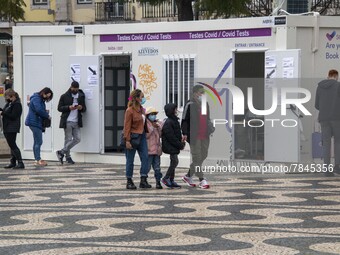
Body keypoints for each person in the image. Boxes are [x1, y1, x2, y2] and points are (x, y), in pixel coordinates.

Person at [181, 84, 213, 189]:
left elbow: (207, 118)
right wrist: (184, 133)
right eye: (201, 92)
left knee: (203, 155)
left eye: (203, 92)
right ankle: (202, 180)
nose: (203, 94)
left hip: (205, 134)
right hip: (194, 135)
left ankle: (188, 176)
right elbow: (184, 120)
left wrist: (210, 127)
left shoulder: (205, 104)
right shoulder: (189, 104)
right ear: (195, 93)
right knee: (197, 157)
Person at [315, 69, 340, 176]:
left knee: (326, 143)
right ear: (336, 76)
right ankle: (337, 167)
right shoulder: (338, 86)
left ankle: (327, 170)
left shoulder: (319, 87)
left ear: (328, 76)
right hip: (336, 118)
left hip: (324, 118)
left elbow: (316, 105)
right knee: (338, 142)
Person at [123, 89, 150, 190]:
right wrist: (127, 140)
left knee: (146, 158)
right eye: (142, 97)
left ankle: (143, 179)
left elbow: (144, 122)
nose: (143, 98)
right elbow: (127, 126)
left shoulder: (142, 109)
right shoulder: (129, 110)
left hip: (142, 136)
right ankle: (129, 180)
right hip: (132, 136)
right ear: (137, 98)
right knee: (130, 160)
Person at [56, 81, 86, 165]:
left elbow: (84, 109)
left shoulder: (81, 96)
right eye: (74, 89)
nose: (75, 90)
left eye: (76, 89)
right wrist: (68, 107)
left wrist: (81, 108)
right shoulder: (64, 96)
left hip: (77, 121)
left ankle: (61, 152)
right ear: (71, 87)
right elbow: (59, 108)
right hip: (67, 121)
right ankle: (68, 157)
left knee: (77, 139)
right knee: (68, 139)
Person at [25, 87, 53, 166]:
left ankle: (37, 159)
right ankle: (38, 159)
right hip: (34, 122)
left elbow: (37, 109)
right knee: (39, 141)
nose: (48, 97)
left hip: (34, 121)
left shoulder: (37, 98)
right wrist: (47, 115)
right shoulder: (37, 99)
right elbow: (39, 110)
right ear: (43, 93)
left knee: (36, 141)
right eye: (47, 95)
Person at [161, 103, 185, 189]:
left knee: (173, 162)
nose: (176, 111)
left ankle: (171, 179)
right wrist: (179, 145)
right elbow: (171, 136)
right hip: (170, 146)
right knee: (175, 162)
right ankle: (166, 178)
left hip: (174, 145)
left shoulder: (174, 120)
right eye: (175, 109)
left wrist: (181, 142)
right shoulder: (168, 122)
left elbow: (177, 134)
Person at [1, 89, 24, 169]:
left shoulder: (17, 104)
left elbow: (14, 116)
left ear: (12, 96)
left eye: (7, 97)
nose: (6, 99)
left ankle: (20, 162)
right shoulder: (9, 104)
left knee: (13, 145)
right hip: (7, 127)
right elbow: (5, 111)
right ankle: (13, 162)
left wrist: (3, 113)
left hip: (12, 127)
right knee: (11, 145)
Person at [145, 107, 163, 189]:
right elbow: (146, 135)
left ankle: (158, 182)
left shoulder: (157, 123)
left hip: (157, 150)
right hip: (149, 150)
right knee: (147, 167)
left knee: (157, 167)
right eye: (152, 114)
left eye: (155, 115)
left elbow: (160, 135)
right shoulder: (145, 124)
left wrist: (158, 127)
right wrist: (152, 128)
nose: (154, 116)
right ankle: (144, 180)